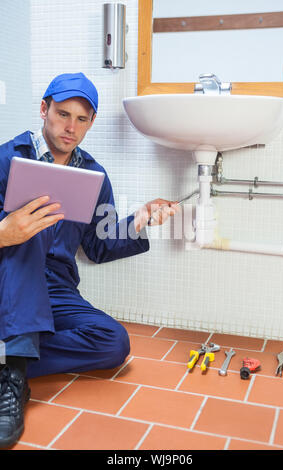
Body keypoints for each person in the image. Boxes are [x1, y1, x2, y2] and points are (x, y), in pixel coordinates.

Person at [0, 72, 179, 448]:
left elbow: (99, 246)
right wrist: (5, 233)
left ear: (91, 123)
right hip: (9, 277)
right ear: (44, 109)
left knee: (113, 343)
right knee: (29, 236)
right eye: (63, 114)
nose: (71, 127)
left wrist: (139, 221)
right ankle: (13, 377)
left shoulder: (93, 175)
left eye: (82, 119)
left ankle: (11, 354)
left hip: (55, 288)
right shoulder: (5, 159)